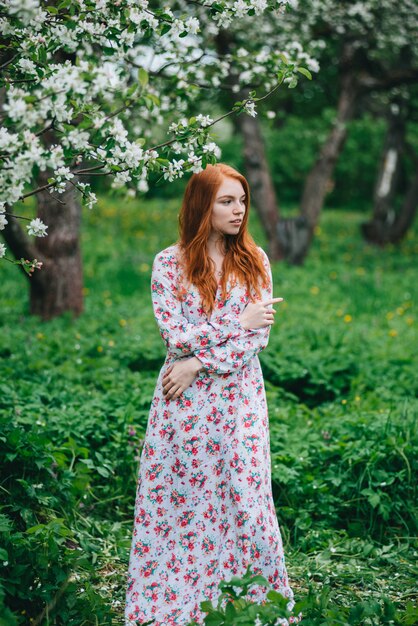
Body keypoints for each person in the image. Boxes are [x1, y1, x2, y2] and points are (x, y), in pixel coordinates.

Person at [125, 163, 297, 626]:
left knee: (246, 498)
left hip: (237, 398)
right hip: (184, 403)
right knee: (184, 500)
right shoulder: (169, 262)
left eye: (241, 200)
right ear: (203, 205)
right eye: (226, 201)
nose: (238, 210)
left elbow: (255, 340)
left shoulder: (255, 260)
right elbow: (174, 336)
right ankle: (174, 606)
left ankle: (251, 605)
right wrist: (235, 322)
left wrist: (200, 362)